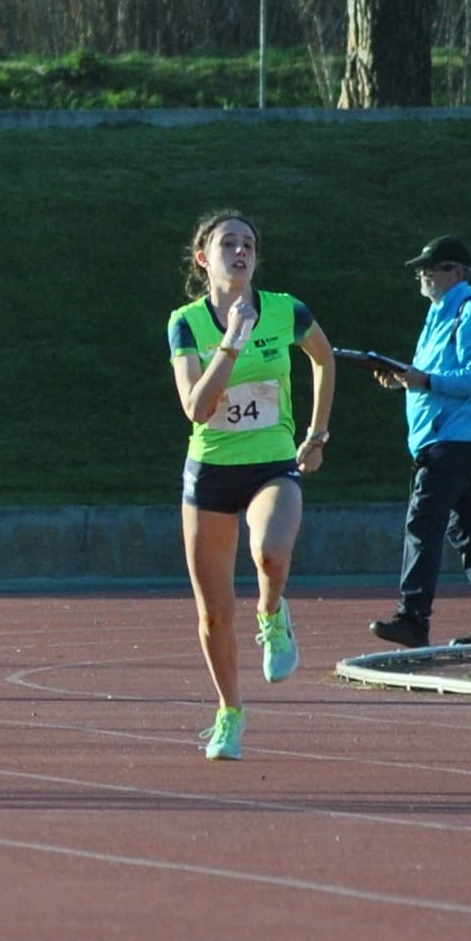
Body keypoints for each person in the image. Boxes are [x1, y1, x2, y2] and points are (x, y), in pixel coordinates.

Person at [166, 209, 335, 760]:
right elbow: (197, 407)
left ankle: (271, 612)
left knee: (270, 553)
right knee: (213, 613)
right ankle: (230, 712)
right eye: (228, 244)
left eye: (248, 245)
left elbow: (325, 360)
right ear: (203, 258)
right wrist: (233, 342)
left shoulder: (286, 311)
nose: (240, 252)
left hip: (272, 463)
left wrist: (316, 434)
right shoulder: (186, 323)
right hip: (211, 470)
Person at [366, 235, 471, 651]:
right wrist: (404, 380)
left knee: (424, 521)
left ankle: (413, 617)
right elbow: (435, 375)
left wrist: (425, 380)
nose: (423, 274)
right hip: (449, 437)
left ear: (457, 273)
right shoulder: (439, 314)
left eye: (431, 267)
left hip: (455, 439)